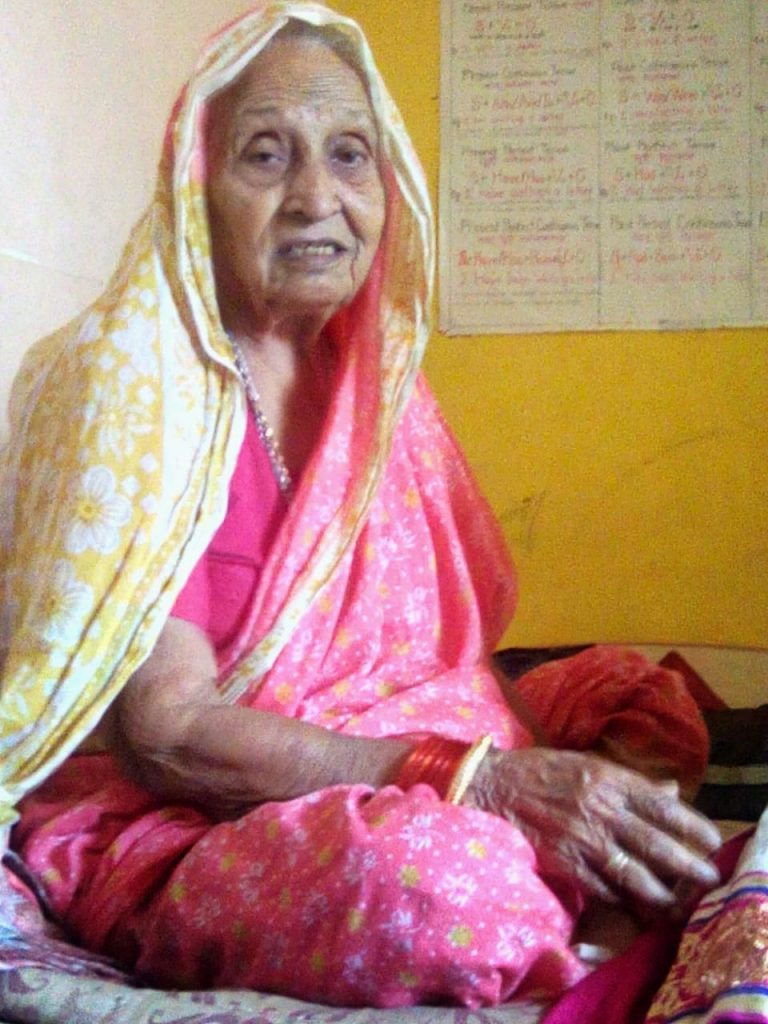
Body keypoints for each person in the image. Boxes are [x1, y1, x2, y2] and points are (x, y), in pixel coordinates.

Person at [0, 1, 722, 1010]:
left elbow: (448, 651)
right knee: (441, 889)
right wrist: (476, 779)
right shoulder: (129, 384)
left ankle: (577, 877)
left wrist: (537, 761)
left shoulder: (373, 386)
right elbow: (166, 732)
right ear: (195, 184)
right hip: (213, 806)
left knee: (644, 701)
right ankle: (558, 904)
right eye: (265, 155)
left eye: (349, 155)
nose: (316, 198)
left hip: (411, 747)